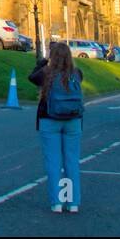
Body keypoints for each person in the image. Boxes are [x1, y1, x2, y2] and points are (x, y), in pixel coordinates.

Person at [28, 42, 84, 214]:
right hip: (73, 120)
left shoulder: (46, 74)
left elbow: (32, 77)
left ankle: (57, 202)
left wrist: (43, 62)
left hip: (49, 119)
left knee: (53, 162)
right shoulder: (77, 73)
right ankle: (72, 202)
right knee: (71, 162)